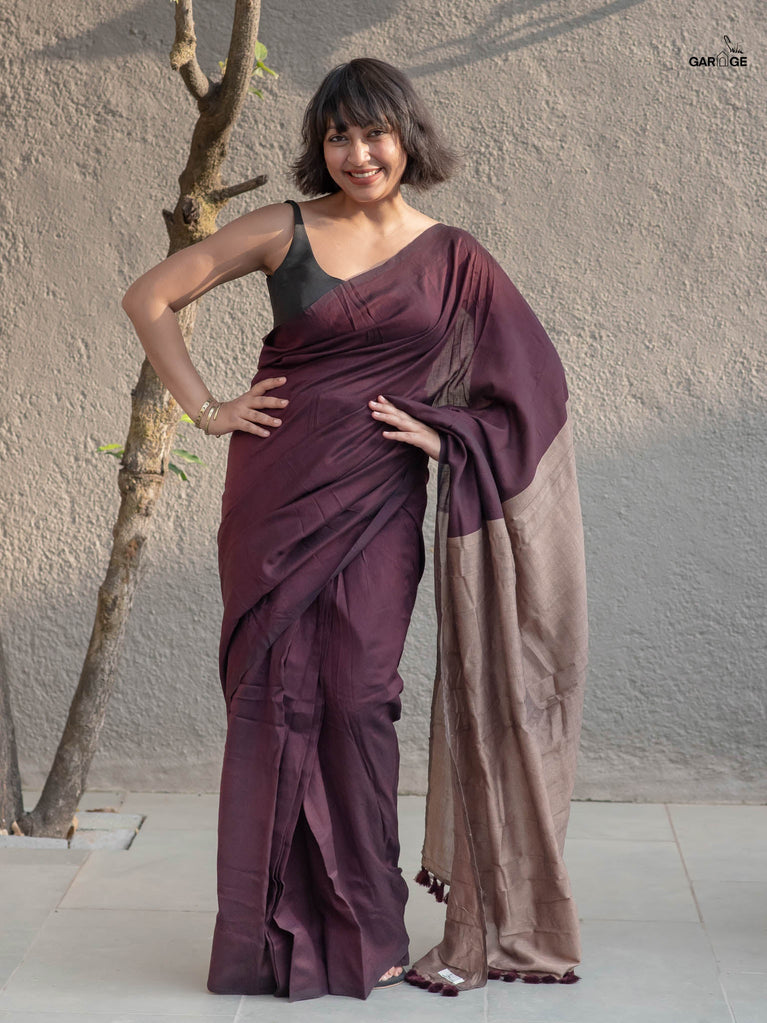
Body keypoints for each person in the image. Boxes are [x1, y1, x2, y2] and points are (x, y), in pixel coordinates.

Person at [121, 57, 588, 1003]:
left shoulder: (452, 257)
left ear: (406, 137)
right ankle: (263, 938)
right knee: (273, 697)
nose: (358, 153)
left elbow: (531, 385)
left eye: (374, 133)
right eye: (338, 136)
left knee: (362, 696)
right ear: (320, 146)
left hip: (378, 501)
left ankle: (367, 927)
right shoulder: (282, 228)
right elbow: (148, 296)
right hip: (274, 500)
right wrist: (208, 408)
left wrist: (449, 432)